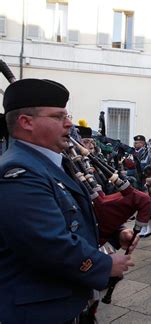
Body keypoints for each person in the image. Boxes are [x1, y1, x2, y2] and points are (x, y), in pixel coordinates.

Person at [0, 79, 137, 323]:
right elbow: (47, 242)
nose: (69, 123)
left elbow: (72, 213)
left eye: (67, 115)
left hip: (63, 300)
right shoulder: (18, 172)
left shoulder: (51, 161)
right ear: (26, 122)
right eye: (58, 116)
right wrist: (104, 265)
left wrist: (116, 233)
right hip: (38, 311)